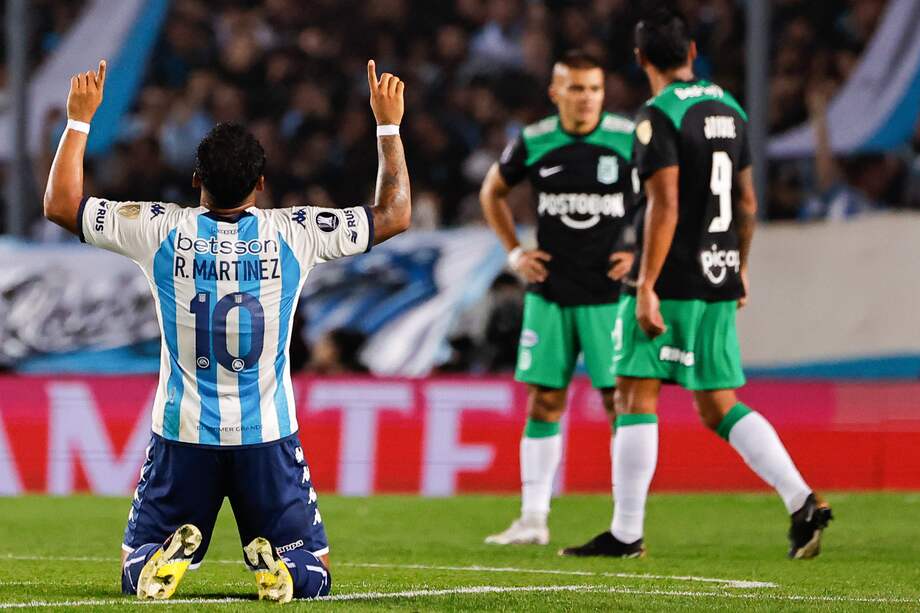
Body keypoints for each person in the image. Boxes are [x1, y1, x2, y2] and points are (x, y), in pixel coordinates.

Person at [42, 58, 410, 601]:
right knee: (317, 571)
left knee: (132, 565)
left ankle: (156, 563)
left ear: (196, 182)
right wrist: (387, 125)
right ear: (261, 183)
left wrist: (79, 121)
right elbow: (396, 213)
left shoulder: (159, 229)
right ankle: (284, 572)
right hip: (267, 434)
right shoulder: (296, 232)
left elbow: (61, 204)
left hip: (182, 433)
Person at [561, 8, 832, 559]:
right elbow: (748, 202)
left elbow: (665, 204)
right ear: (690, 54)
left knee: (635, 390)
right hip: (718, 273)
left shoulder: (656, 116)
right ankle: (802, 499)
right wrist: (740, 267)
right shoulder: (729, 108)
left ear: (640, 60)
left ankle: (626, 532)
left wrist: (646, 285)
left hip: (672, 275)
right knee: (717, 405)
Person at [480, 50, 639, 546]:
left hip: (609, 296)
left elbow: (665, 196)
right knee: (545, 401)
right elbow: (492, 192)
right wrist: (514, 254)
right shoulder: (534, 140)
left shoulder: (628, 139)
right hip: (549, 293)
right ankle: (533, 519)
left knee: (620, 403)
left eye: (594, 88)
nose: (586, 98)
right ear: (556, 93)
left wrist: (637, 249)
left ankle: (625, 522)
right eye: (576, 88)